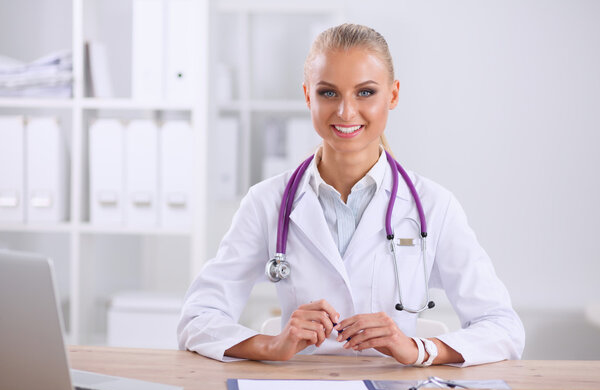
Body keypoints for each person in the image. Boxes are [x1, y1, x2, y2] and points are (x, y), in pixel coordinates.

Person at [178, 23, 525, 366]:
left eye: (365, 92)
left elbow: (503, 328)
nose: (346, 111)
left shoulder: (434, 206)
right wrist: (271, 345)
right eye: (328, 92)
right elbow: (197, 319)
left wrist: (417, 349)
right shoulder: (266, 202)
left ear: (393, 94)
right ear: (307, 96)